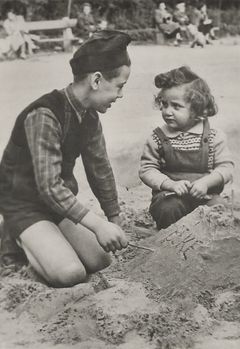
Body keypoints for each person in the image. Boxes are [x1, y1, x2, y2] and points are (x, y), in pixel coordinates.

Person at [0, 30, 131, 286]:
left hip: (54, 205)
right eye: (119, 86)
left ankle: (48, 237)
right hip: (22, 204)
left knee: (100, 259)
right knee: (71, 273)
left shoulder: (89, 114)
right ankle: (12, 238)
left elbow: (99, 167)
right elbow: (49, 186)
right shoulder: (44, 115)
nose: (121, 95)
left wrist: (113, 219)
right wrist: (97, 225)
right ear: (96, 80)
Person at [139, 66, 234, 230]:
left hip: (206, 195)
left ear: (197, 109)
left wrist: (206, 182)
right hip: (171, 196)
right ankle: (173, 242)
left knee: (221, 210)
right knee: (167, 209)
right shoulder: (158, 138)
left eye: (176, 106)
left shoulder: (213, 137)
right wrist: (169, 184)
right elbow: (147, 170)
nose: (167, 111)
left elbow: (226, 168)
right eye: (164, 104)